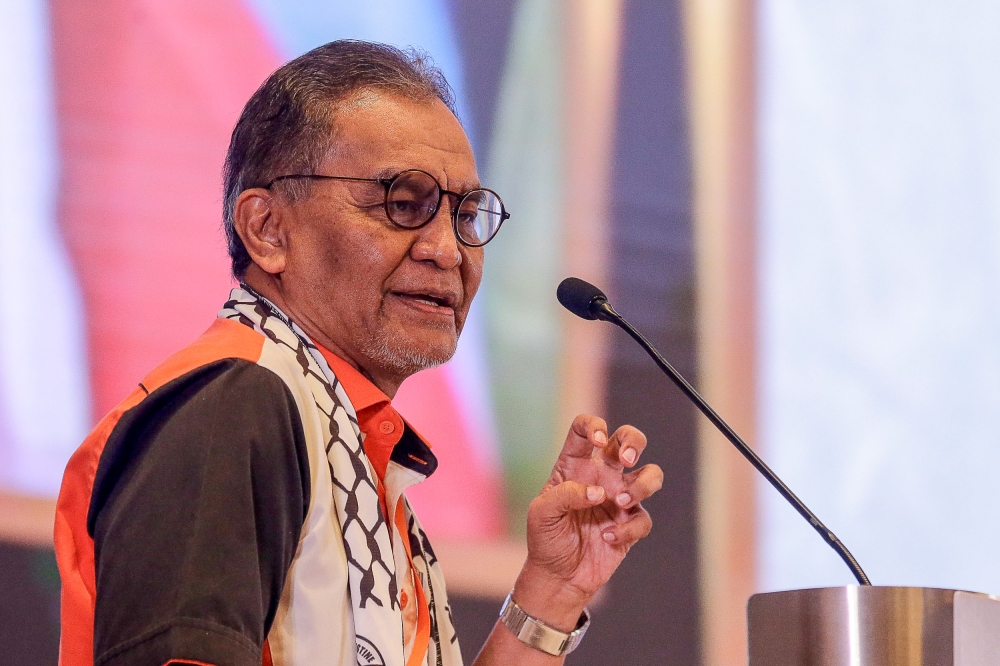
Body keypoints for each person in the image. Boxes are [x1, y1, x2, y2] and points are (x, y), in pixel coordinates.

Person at [54, 40, 664, 666]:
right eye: (403, 203)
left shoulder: (351, 446)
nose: (447, 251)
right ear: (268, 230)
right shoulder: (230, 407)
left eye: (465, 214)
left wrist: (553, 592)